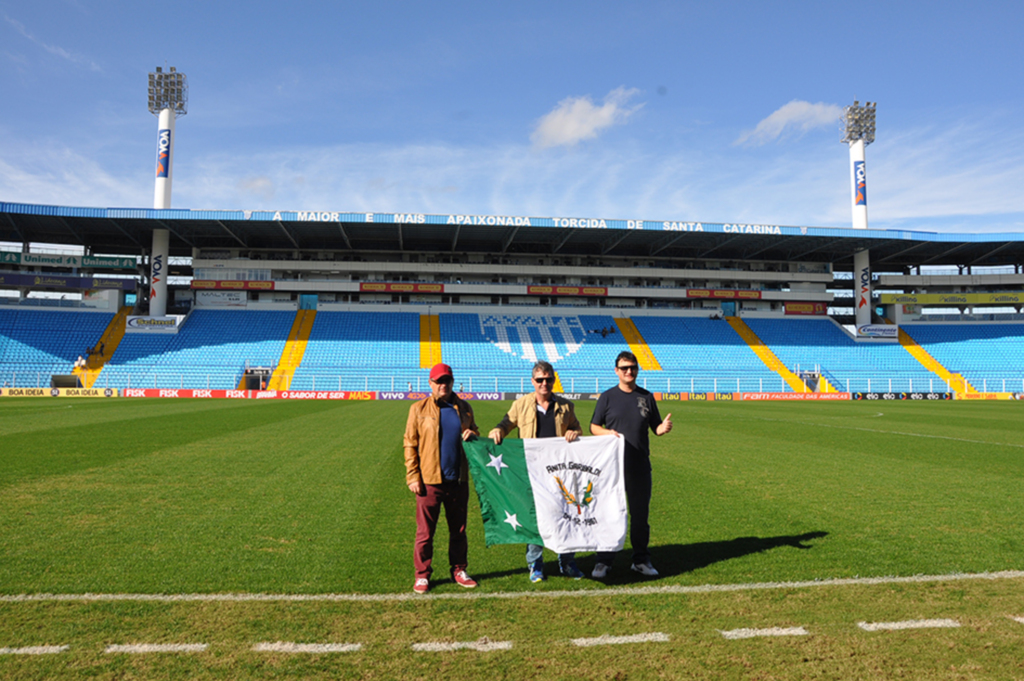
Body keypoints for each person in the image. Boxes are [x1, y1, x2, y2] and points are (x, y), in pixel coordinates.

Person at [488, 360, 584, 582]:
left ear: (553, 380)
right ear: (533, 381)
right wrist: (498, 430)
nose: (544, 383)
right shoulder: (520, 405)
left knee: (565, 515)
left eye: (548, 379)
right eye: (540, 380)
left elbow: (576, 427)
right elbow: (505, 424)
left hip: (560, 472)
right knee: (535, 518)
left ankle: (567, 561)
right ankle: (535, 564)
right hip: (532, 471)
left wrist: (574, 432)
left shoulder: (566, 406)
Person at [589, 351, 673, 579]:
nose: (629, 371)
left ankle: (640, 560)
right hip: (611, 469)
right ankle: (603, 561)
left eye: (633, 367)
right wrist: (608, 432)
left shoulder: (646, 397)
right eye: (624, 367)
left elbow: (655, 427)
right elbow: (593, 427)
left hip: (639, 466)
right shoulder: (607, 397)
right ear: (616, 370)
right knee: (608, 514)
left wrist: (661, 429)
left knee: (639, 516)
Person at [404, 362, 480, 594]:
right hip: (428, 481)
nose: (442, 385)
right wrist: (413, 476)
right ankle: (422, 574)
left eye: (446, 380)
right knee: (425, 532)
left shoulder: (464, 408)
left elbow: (475, 432)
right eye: (438, 381)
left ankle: (459, 569)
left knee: (458, 530)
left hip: (458, 481)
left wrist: (473, 433)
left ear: (452, 382)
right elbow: (410, 443)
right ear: (430, 383)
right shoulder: (418, 409)